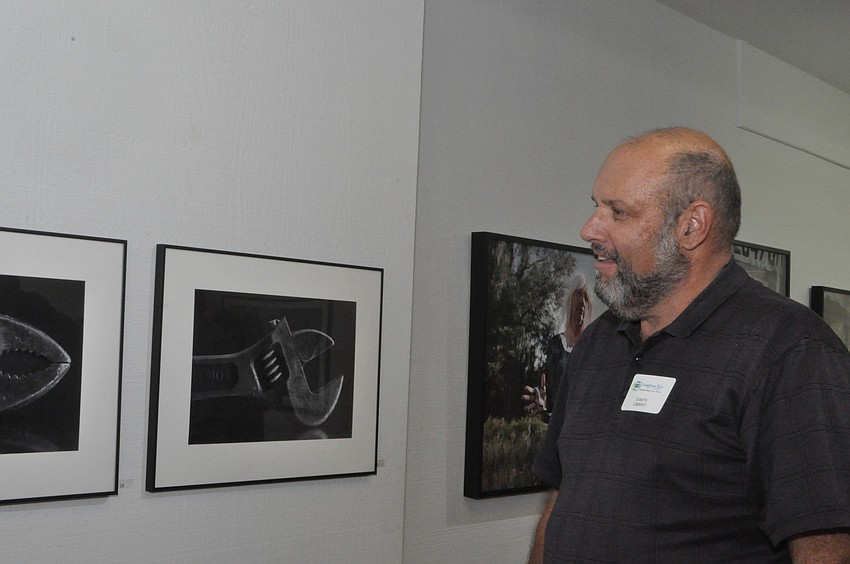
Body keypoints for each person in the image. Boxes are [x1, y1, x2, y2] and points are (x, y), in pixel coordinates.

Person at [528, 127, 850, 563]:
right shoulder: (599, 343)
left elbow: (826, 548)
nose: (590, 229)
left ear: (691, 226)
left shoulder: (791, 351)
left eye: (618, 212)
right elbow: (562, 501)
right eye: (595, 207)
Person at [522, 273, 592, 418]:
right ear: (569, 305)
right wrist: (544, 404)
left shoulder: (593, 345)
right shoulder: (555, 345)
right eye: (577, 305)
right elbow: (547, 394)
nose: (581, 307)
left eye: (584, 302)